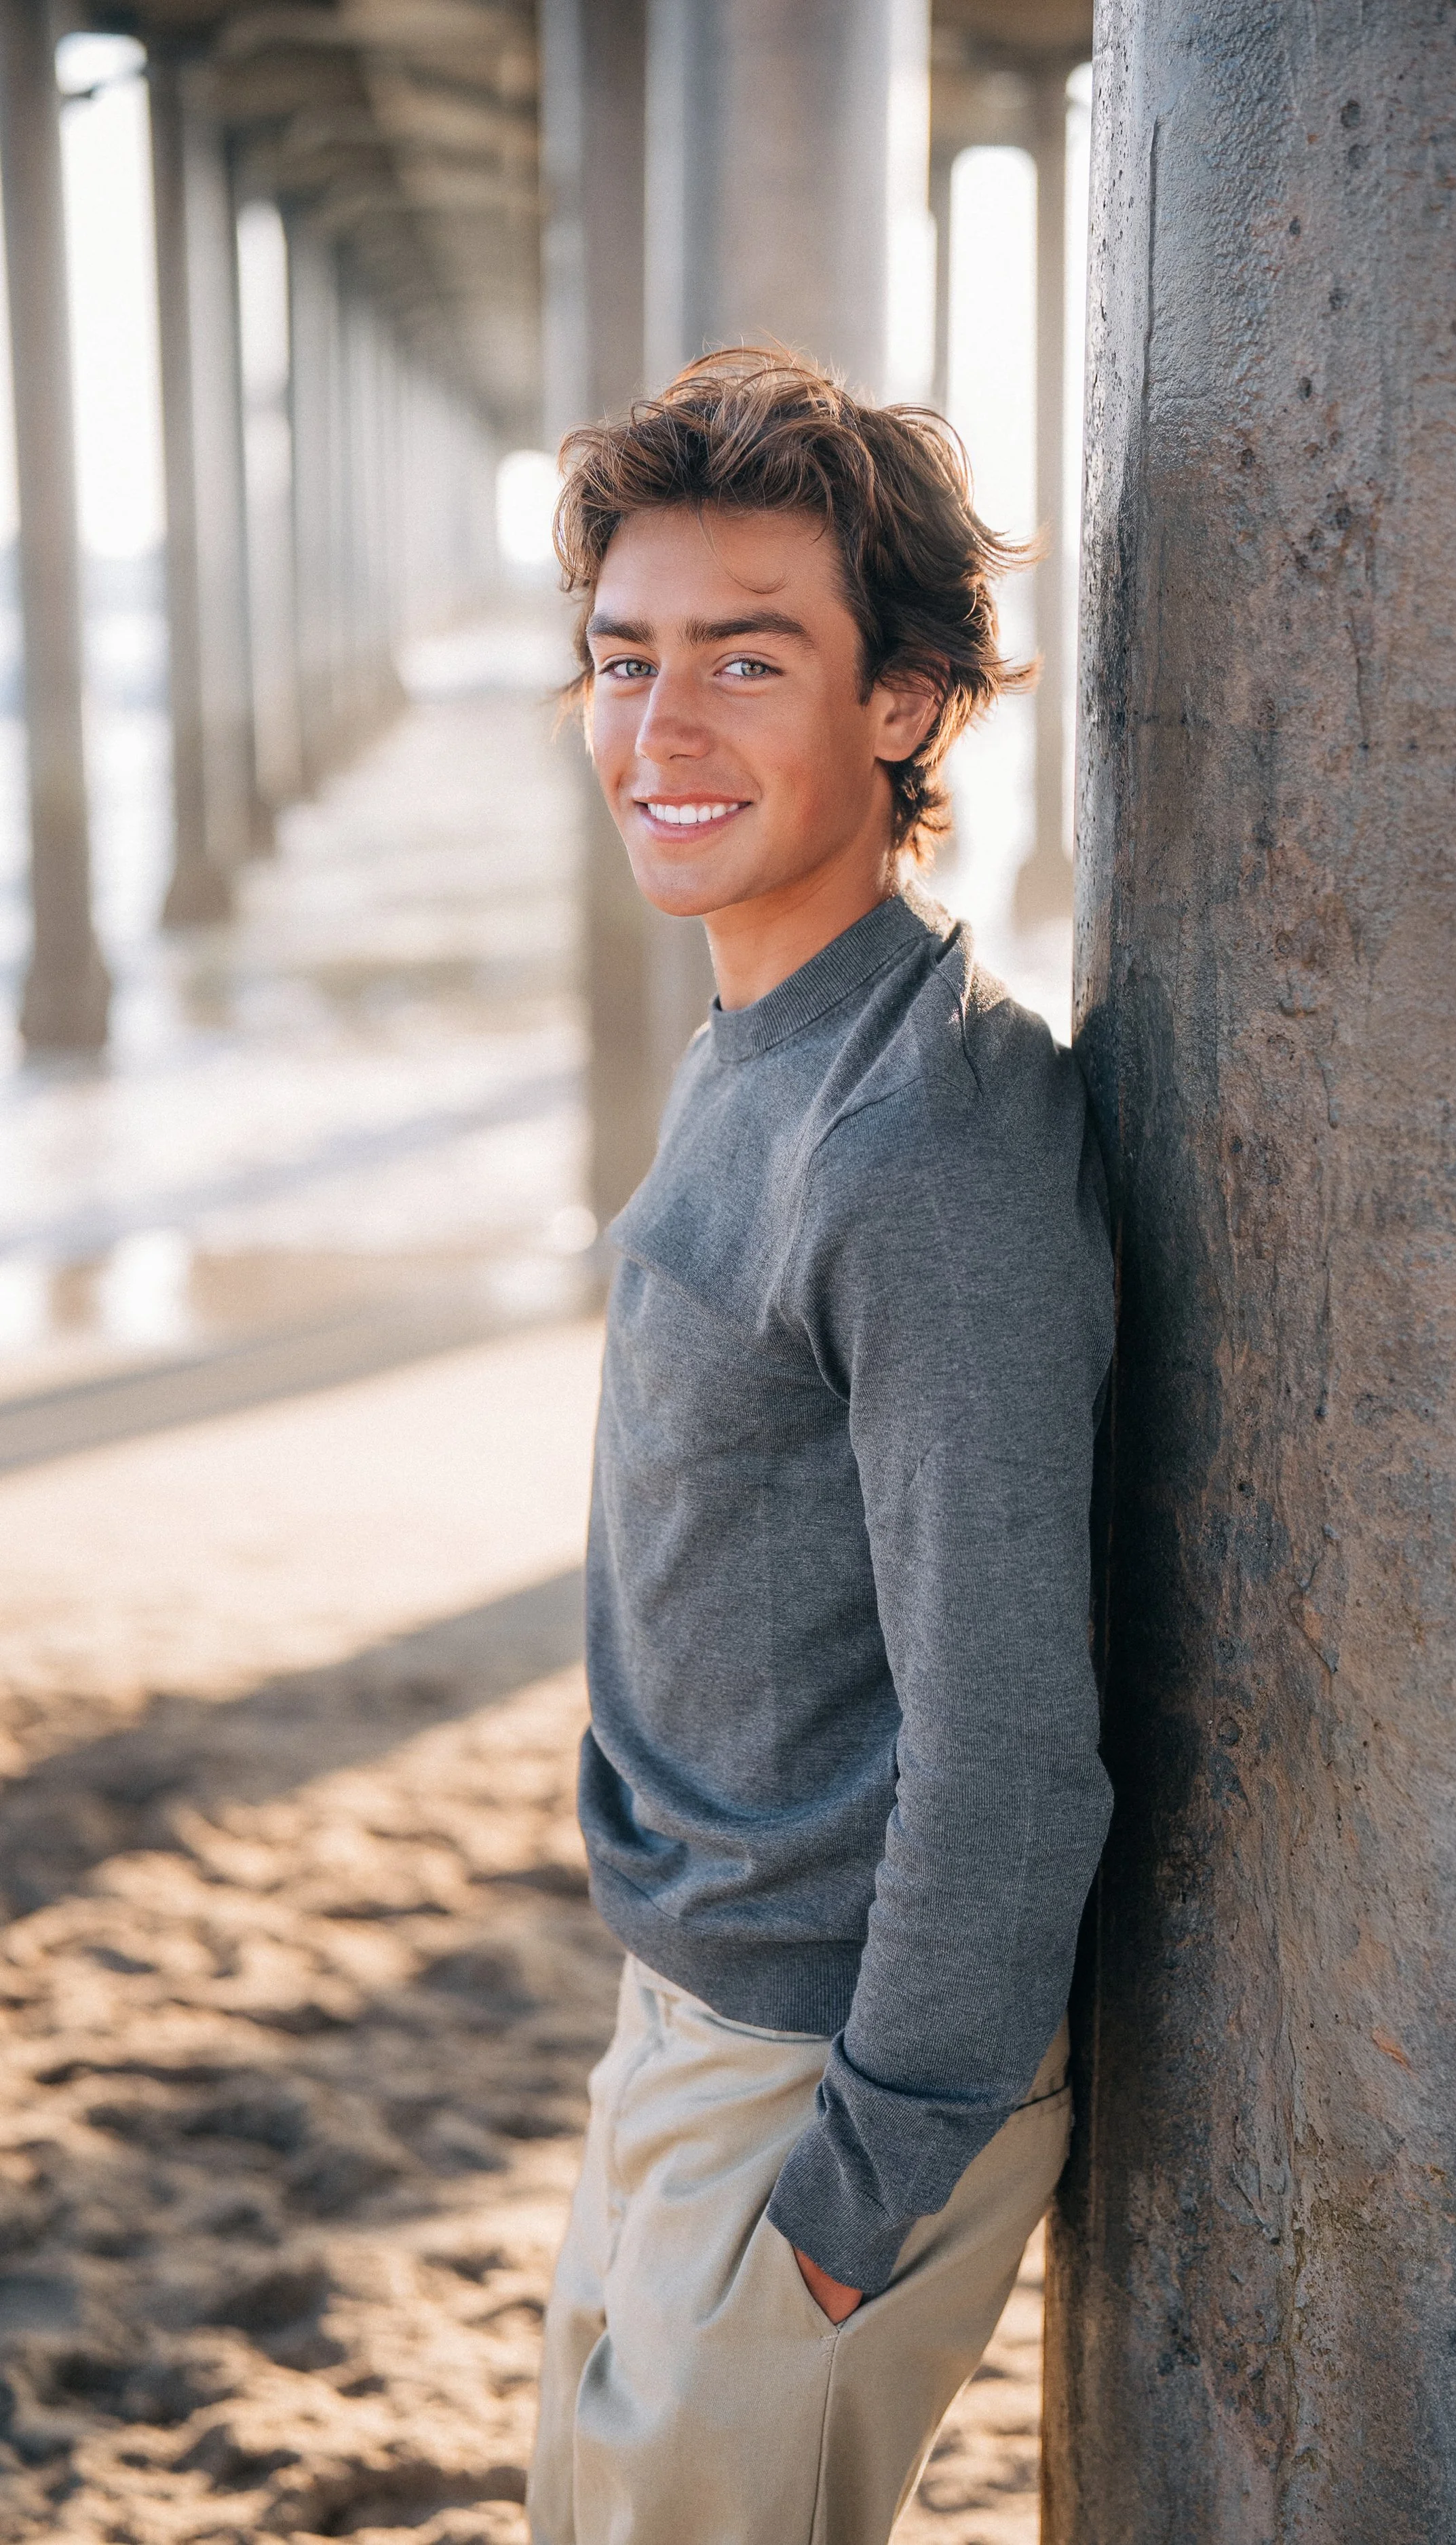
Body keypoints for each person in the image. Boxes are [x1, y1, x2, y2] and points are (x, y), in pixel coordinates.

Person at [527, 349, 1115, 2545]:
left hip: (817, 2075)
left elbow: (1011, 1743)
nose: (660, 733)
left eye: (746, 660)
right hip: (691, 2016)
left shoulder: (919, 1139)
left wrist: (863, 2182)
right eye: (623, 658)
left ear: (904, 702)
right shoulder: (761, 1033)